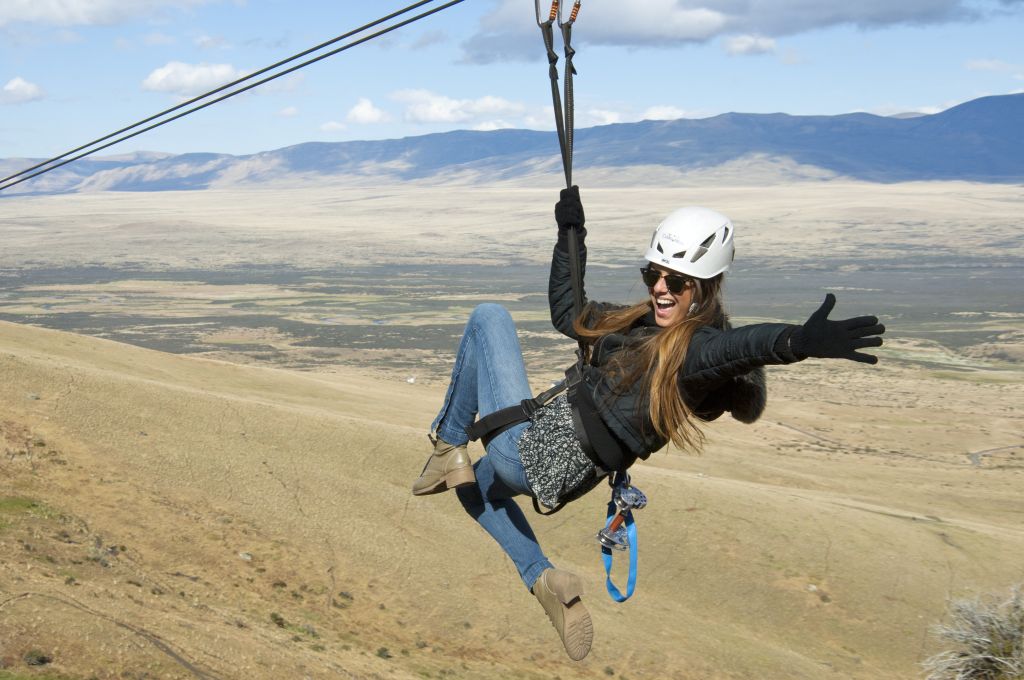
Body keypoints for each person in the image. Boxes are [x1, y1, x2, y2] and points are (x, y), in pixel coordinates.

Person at [411, 186, 886, 661]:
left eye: (676, 281)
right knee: (471, 484)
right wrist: (570, 235)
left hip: (528, 454)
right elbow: (569, 314)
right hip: (563, 475)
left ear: (706, 287)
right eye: (653, 275)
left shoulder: (696, 352)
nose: (660, 288)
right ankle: (541, 577)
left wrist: (799, 340)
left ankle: (445, 443)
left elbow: (746, 346)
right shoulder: (641, 325)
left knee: (488, 317)